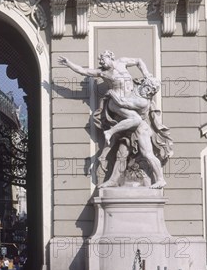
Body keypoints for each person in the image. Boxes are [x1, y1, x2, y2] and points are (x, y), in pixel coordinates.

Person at [58, 52, 173, 188]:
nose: (101, 62)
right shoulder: (103, 73)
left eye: (102, 59)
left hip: (137, 125)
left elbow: (138, 60)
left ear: (110, 57)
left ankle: (160, 179)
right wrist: (69, 64)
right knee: (121, 153)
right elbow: (83, 71)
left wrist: (146, 73)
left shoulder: (140, 96)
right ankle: (113, 180)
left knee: (146, 152)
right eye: (100, 61)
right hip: (122, 113)